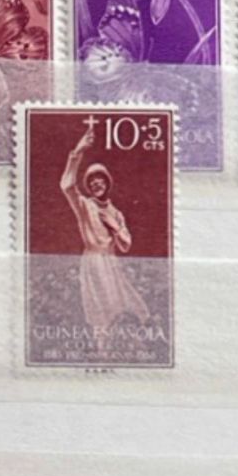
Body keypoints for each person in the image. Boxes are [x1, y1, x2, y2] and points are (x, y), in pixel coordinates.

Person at [59, 115, 150, 343]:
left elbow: (126, 245)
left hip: (111, 262)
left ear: (107, 183)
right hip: (93, 261)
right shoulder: (84, 206)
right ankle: (101, 349)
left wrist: (115, 227)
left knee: (123, 305)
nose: (95, 184)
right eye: (91, 182)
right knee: (101, 308)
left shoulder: (116, 213)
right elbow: (67, 185)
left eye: (99, 180)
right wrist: (78, 151)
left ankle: (118, 347)